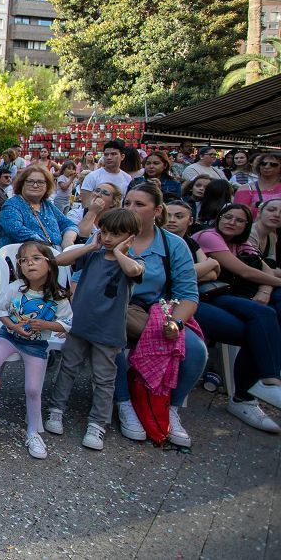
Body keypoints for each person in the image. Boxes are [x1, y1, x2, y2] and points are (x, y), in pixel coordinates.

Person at [165, 201, 281, 432]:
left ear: (189, 220)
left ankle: (262, 385)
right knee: (253, 332)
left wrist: (265, 289)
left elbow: (215, 269)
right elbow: (174, 275)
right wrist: (203, 268)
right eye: (228, 217)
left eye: (179, 216)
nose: (172, 220)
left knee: (264, 318)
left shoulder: (194, 242)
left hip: (212, 293)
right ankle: (249, 393)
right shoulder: (202, 238)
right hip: (185, 300)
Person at [110, 184, 206, 447]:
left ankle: (169, 409)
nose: (130, 209)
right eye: (127, 203)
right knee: (110, 337)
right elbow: (80, 280)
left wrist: (175, 322)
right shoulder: (110, 236)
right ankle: (124, 402)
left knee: (195, 350)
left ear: (157, 210)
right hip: (114, 311)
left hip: (157, 312)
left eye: (139, 204)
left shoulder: (174, 245)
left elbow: (188, 294)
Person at [47, 208, 145, 451]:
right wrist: (92, 246)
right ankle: (56, 409)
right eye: (106, 232)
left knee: (103, 378)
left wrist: (121, 251)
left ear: (131, 236)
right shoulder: (93, 256)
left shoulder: (132, 263)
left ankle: (98, 423)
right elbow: (59, 261)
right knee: (68, 367)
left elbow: (133, 271)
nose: (109, 239)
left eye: (117, 234)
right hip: (79, 325)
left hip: (108, 331)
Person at [0, 241, 72, 459]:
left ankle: (34, 431)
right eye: (23, 260)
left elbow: (68, 322)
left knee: (33, 389)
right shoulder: (15, 288)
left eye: (35, 259)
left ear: (50, 263)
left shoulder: (58, 295)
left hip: (35, 344)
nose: (29, 264)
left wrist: (48, 326)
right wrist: (13, 326)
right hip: (10, 337)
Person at [194, 203, 281, 319]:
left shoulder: (241, 241)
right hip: (213, 294)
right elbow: (245, 272)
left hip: (239, 291)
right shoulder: (208, 236)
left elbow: (266, 270)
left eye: (239, 220)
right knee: (265, 312)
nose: (231, 222)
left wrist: (264, 291)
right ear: (219, 218)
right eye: (228, 217)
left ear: (246, 225)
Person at [0, 165, 78, 250]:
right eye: (30, 181)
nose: (35, 186)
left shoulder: (46, 205)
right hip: (25, 258)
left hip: (54, 254)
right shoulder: (11, 205)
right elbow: (16, 231)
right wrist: (50, 248)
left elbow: (69, 224)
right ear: (22, 184)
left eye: (40, 182)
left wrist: (67, 241)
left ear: (47, 186)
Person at [79, 140, 132, 208]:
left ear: (122, 157)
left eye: (113, 154)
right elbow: (86, 204)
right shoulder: (92, 177)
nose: (109, 158)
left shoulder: (127, 178)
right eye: (106, 155)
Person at [235, 152, 281, 220]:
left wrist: (256, 206)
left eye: (273, 165)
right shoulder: (245, 189)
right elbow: (238, 213)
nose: (267, 166)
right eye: (263, 164)